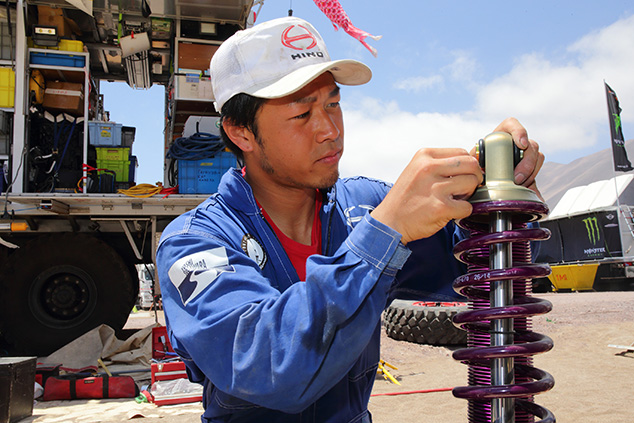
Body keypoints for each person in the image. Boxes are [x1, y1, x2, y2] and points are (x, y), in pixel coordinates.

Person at [156, 16, 544, 423]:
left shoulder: (364, 208)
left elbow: (482, 268)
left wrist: (503, 193)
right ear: (241, 133)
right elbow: (267, 366)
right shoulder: (194, 243)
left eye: (333, 104)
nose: (330, 130)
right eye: (302, 114)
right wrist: (385, 234)